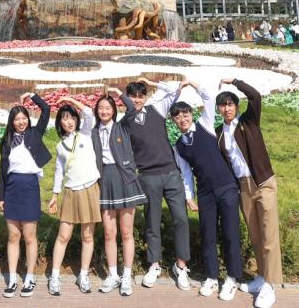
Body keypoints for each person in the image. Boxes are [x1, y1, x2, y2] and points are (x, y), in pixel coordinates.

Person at [108, 78, 191, 292]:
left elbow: (176, 89)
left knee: (181, 218)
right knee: (152, 222)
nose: (137, 99)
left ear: (145, 96)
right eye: (132, 96)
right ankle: (154, 264)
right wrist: (119, 95)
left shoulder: (157, 109)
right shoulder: (125, 121)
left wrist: (150, 81)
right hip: (147, 176)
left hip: (171, 172)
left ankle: (181, 265)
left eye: (140, 95)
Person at [169, 81, 242, 301]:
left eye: (185, 114)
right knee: (208, 235)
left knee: (230, 234)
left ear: (191, 114)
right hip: (206, 193)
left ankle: (232, 278)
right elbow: (186, 174)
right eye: (177, 117)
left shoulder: (206, 124)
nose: (182, 119)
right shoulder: (179, 146)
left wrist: (192, 84)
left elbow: (210, 97)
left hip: (227, 186)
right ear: (173, 121)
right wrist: (190, 198)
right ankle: (211, 277)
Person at [216, 78, 282, 308]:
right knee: (255, 234)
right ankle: (262, 277)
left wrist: (235, 82)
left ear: (236, 106)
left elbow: (255, 96)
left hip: (263, 182)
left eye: (230, 104)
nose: (226, 109)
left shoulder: (249, 122)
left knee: (269, 234)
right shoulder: (219, 134)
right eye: (222, 105)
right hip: (243, 187)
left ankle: (270, 286)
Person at [91, 94, 146, 296]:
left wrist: (119, 93)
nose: (104, 111)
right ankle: (113, 275)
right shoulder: (94, 132)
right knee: (109, 233)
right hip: (104, 179)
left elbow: (132, 109)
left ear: (114, 110)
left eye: (108, 107)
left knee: (126, 232)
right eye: (101, 108)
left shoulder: (122, 126)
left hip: (125, 179)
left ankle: (126, 276)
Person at [0, 92, 51, 298]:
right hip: (12, 188)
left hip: (29, 186)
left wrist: (32, 96)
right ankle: (12, 279)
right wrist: (0, 196)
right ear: (12, 122)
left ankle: (29, 277)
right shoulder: (6, 142)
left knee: (29, 236)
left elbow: (46, 110)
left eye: (24, 118)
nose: (21, 122)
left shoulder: (35, 134)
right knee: (13, 235)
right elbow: (2, 172)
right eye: (17, 119)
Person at [47, 96, 101, 296]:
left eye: (71, 118)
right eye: (64, 118)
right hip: (71, 191)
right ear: (59, 122)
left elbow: (88, 113)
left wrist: (69, 99)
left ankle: (83, 275)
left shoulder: (85, 134)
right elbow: (59, 172)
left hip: (90, 189)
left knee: (87, 236)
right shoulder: (60, 146)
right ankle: (54, 276)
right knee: (64, 236)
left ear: (76, 120)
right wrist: (55, 194)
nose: (69, 122)